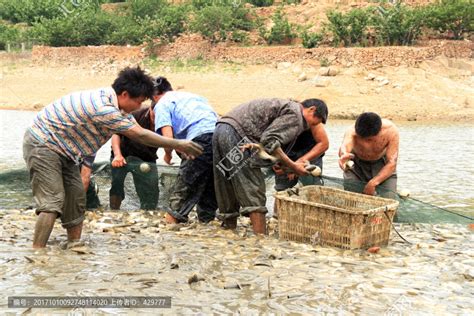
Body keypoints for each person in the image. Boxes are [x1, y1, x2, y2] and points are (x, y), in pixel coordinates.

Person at [23, 66, 203, 248]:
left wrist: (177, 146)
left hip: (67, 150)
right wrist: (179, 144)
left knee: (76, 198)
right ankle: (38, 254)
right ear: (125, 94)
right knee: (52, 200)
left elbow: (137, 132)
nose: (140, 107)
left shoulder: (119, 108)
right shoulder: (103, 108)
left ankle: (74, 244)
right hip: (42, 145)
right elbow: (140, 135)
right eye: (139, 102)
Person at [213, 98, 324, 234]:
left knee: (227, 183)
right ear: (311, 109)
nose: (310, 126)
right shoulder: (296, 115)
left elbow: (265, 143)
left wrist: (282, 163)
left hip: (221, 129)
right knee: (254, 188)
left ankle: (227, 233)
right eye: (315, 121)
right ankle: (261, 240)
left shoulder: (287, 107)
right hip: (238, 135)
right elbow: (270, 140)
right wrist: (294, 166)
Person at [152, 77, 218, 224]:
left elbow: (168, 138)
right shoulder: (193, 97)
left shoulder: (162, 104)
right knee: (210, 185)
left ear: (154, 96)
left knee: (185, 185)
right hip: (220, 136)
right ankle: (207, 224)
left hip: (200, 138)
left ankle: (170, 226)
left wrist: (168, 155)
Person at [338, 112, 399, 199]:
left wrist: (373, 183)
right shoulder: (351, 131)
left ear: (379, 131)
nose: (366, 143)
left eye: (369, 140)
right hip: (356, 166)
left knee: (388, 199)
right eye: (361, 138)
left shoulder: (390, 131)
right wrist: (343, 155)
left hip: (382, 166)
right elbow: (345, 147)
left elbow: (392, 163)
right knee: (352, 199)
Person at [109, 106, 159, 210]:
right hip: (123, 155)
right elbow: (116, 134)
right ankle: (113, 211)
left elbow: (173, 140)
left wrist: (170, 154)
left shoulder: (167, 120)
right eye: (155, 115)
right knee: (116, 184)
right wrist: (117, 155)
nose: (157, 119)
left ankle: (148, 213)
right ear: (150, 109)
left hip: (147, 157)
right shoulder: (134, 114)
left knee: (150, 193)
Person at [273, 99, 329, 191]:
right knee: (282, 189)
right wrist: (278, 162)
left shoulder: (312, 120)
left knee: (311, 188)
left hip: (309, 153)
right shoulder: (280, 118)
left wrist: (302, 160)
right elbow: (270, 143)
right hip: (287, 153)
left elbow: (324, 144)